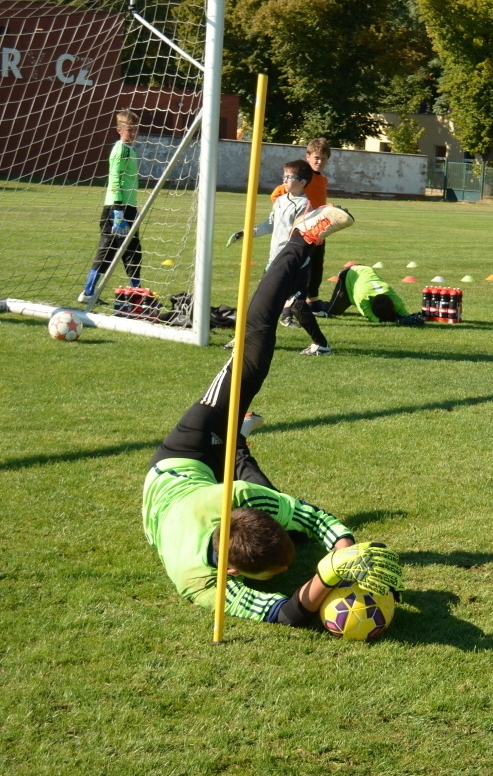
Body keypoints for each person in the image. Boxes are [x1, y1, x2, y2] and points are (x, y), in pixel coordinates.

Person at [143, 209, 403, 627]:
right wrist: (327, 573)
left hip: (182, 455)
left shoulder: (238, 498)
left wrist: (347, 550)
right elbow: (287, 614)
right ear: (231, 572)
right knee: (298, 534)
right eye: (276, 575)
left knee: (255, 352)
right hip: (203, 487)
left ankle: (302, 237)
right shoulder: (194, 578)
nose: (285, 575)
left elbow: (315, 517)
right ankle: (237, 440)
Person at [229, 159, 335, 355]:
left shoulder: (305, 206)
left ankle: (322, 345)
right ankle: (243, 338)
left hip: (293, 262)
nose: (285, 180)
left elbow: (302, 236)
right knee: (260, 300)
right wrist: (248, 232)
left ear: (303, 182)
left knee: (296, 305)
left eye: (290, 177)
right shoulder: (280, 201)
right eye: (284, 176)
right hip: (275, 260)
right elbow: (270, 224)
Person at [80, 110, 142, 303]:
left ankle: (137, 293)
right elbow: (115, 176)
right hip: (117, 208)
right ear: (119, 130)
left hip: (128, 206)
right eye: (129, 130)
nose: (133, 133)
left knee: (133, 250)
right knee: (108, 249)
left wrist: (132, 207)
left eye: (135, 130)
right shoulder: (120, 149)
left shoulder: (130, 150)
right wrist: (117, 209)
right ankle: (88, 292)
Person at [269, 138, 332, 321]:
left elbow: (318, 202)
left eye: (324, 159)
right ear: (308, 156)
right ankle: (289, 306)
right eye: (317, 158)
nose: (320, 162)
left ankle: (313, 301)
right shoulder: (302, 177)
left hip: (320, 230)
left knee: (316, 267)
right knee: (300, 269)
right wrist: (290, 216)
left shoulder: (323, 180)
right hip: (303, 233)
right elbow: (278, 195)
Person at [321, 262, 425, 325]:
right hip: (349, 273)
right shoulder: (363, 298)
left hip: (365, 270)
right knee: (333, 310)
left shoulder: (393, 297)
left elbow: (403, 312)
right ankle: (314, 304)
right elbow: (370, 316)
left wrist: (410, 318)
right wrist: (395, 321)